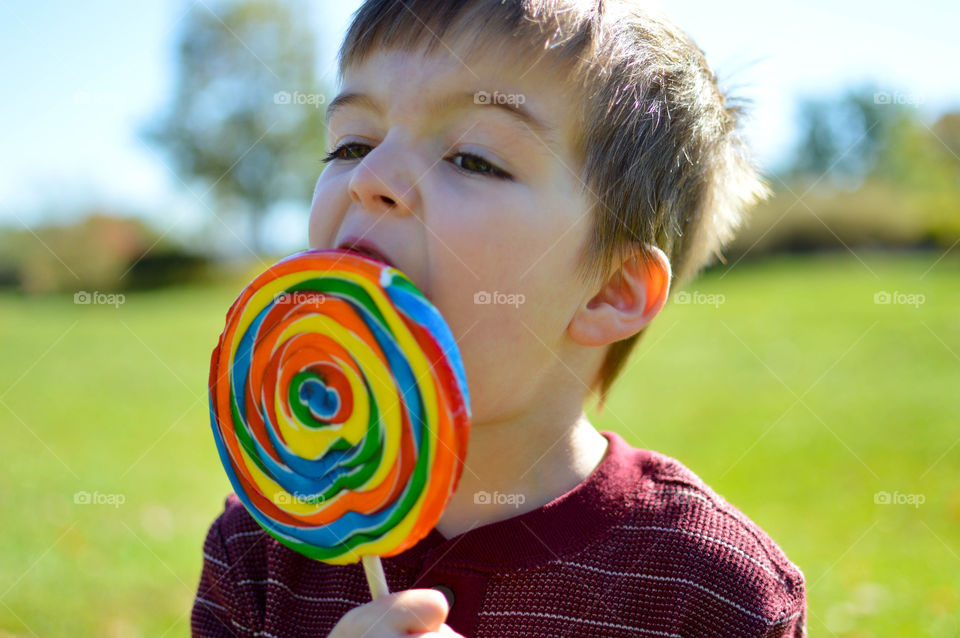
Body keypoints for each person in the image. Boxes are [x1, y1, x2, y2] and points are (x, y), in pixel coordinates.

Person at [192, 0, 806, 635]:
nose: (370, 177)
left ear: (609, 290)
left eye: (473, 159)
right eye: (352, 143)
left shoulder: (711, 589)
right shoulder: (260, 551)